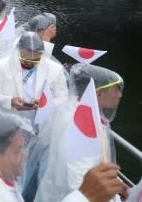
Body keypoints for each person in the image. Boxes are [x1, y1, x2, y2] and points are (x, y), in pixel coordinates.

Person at [34, 64, 125, 202]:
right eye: (116, 89)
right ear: (99, 92)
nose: (120, 94)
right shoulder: (79, 124)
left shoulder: (73, 108)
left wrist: (116, 184)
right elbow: (78, 177)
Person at [0, 31, 68, 127]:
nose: (29, 63)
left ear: (41, 54)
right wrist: (10, 101)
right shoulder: (2, 65)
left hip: (43, 125)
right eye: (25, 59)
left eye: (35, 59)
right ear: (18, 50)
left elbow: (63, 98)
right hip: (10, 122)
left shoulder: (55, 69)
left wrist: (46, 105)